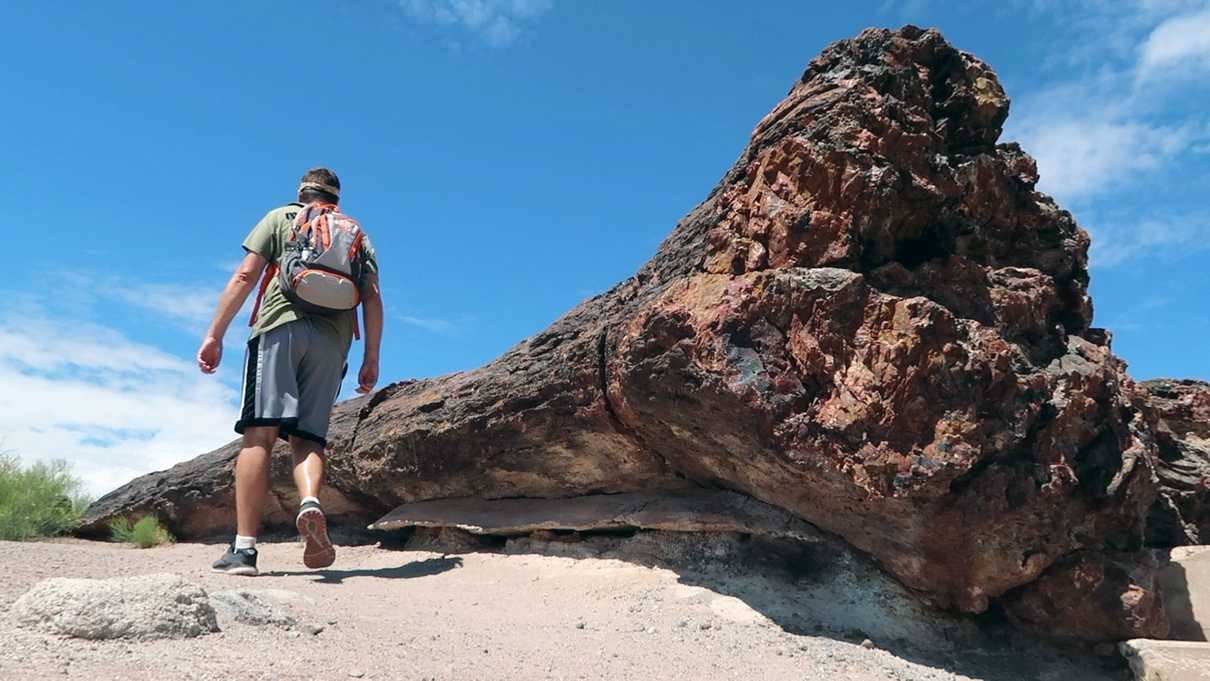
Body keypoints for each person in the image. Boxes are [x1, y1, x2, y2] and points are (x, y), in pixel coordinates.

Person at [196, 167, 383, 576]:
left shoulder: (280, 218)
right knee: (308, 438)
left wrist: (215, 334)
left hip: (279, 327)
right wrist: (371, 357)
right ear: (337, 199)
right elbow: (371, 299)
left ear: (301, 192)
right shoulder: (357, 235)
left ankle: (244, 550)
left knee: (259, 435)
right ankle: (311, 501)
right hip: (333, 344)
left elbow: (246, 275)